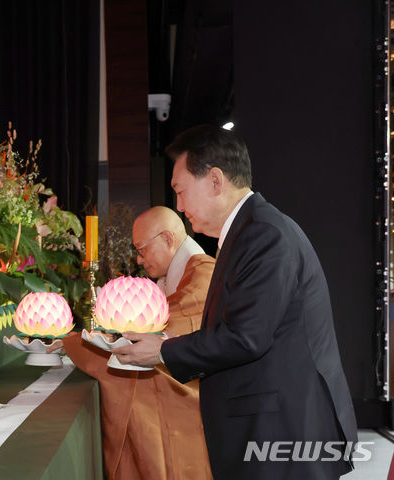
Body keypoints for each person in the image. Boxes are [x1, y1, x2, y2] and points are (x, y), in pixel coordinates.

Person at [113, 125, 358, 480]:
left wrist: (163, 350)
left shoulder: (263, 234)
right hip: (271, 427)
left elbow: (246, 337)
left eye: (180, 191)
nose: (179, 206)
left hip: (283, 434)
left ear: (215, 181)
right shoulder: (249, 232)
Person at [58, 206, 215, 480]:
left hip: (188, 406)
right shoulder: (174, 275)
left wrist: (77, 344)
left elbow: (162, 333)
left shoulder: (203, 273)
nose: (140, 260)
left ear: (167, 238)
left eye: (142, 249)